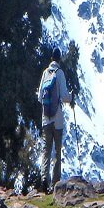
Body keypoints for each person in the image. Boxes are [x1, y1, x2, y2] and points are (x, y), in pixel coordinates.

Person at [38, 47, 73, 192]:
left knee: (46, 150)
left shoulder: (45, 73)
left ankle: (43, 180)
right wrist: (71, 97)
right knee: (57, 152)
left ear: (51, 58)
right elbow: (64, 97)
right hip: (57, 119)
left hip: (46, 118)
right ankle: (55, 184)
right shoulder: (60, 74)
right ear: (59, 59)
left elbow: (40, 96)